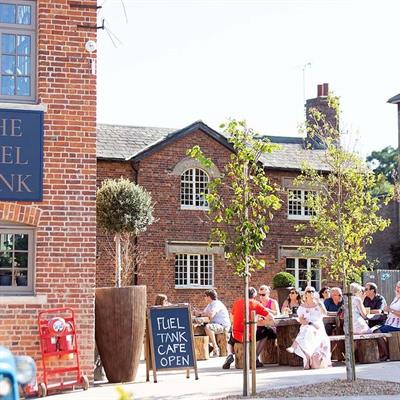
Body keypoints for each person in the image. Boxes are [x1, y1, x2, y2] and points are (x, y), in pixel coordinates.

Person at [222, 287, 273, 369]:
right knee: (266, 332)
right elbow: (270, 317)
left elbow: (231, 318)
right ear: (255, 295)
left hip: (237, 335)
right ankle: (255, 357)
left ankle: (230, 354)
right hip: (249, 336)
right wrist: (258, 320)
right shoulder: (256, 304)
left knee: (231, 339)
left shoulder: (237, 302)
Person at [286, 286, 331, 369]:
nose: (311, 293)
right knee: (307, 329)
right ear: (305, 294)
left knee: (306, 331)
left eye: (313, 291)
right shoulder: (302, 307)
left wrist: (320, 305)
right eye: (309, 291)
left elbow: (325, 313)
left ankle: (296, 347)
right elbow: (301, 319)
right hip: (307, 326)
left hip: (318, 326)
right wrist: (307, 323)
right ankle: (306, 356)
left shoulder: (319, 304)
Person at [195, 289, 231, 357]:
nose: (204, 298)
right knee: (199, 328)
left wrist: (200, 314)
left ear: (209, 297)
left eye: (205, 296)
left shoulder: (216, 304)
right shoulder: (210, 305)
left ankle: (215, 348)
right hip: (216, 324)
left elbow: (211, 315)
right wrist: (198, 313)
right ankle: (208, 347)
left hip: (223, 326)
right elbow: (204, 313)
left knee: (208, 327)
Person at [376, 281, 400, 360]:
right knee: (374, 330)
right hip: (390, 323)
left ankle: (387, 354)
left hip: (397, 325)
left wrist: (390, 309)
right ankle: (386, 353)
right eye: (397, 287)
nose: (397, 289)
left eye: (399, 287)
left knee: (377, 332)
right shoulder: (396, 298)